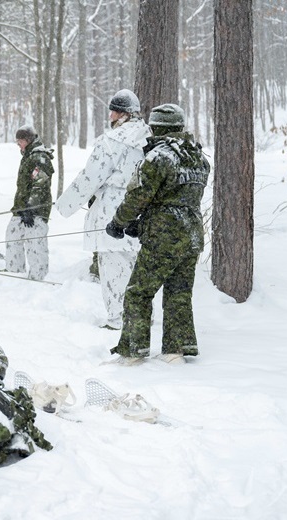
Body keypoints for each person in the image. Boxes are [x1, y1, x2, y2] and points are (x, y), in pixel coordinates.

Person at [105, 103, 210, 364]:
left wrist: (119, 222)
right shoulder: (198, 158)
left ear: (157, 127)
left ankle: (132, 352)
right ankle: (177, 351)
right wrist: (142, 224)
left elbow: (138, 196)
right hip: (192, 234)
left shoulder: (158, 157)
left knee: (139, 292)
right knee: (179, 293)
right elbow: (179, 198)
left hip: (164, 237)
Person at [55, 89, 151, 329]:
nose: (110, 116)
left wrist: (65, 205)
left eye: (113, 111)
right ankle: (140, 318)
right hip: (142, 210)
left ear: (121, 114)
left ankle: (119, 319)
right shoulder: (150, 137)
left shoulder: (112, 141)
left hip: (113, 212)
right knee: (136, 269)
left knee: (113, 269)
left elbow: (91, 177)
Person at [6, 125, 54, 280]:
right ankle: (15, 274)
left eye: (19, 141)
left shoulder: (39, 156)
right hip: (20, 209)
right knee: (12, 237)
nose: (18, 144)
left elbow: (40, 184)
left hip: (36, 211)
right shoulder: (28, 155)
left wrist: (31, 208)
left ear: (27, 140)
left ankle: (38, 278)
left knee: (35, 244)